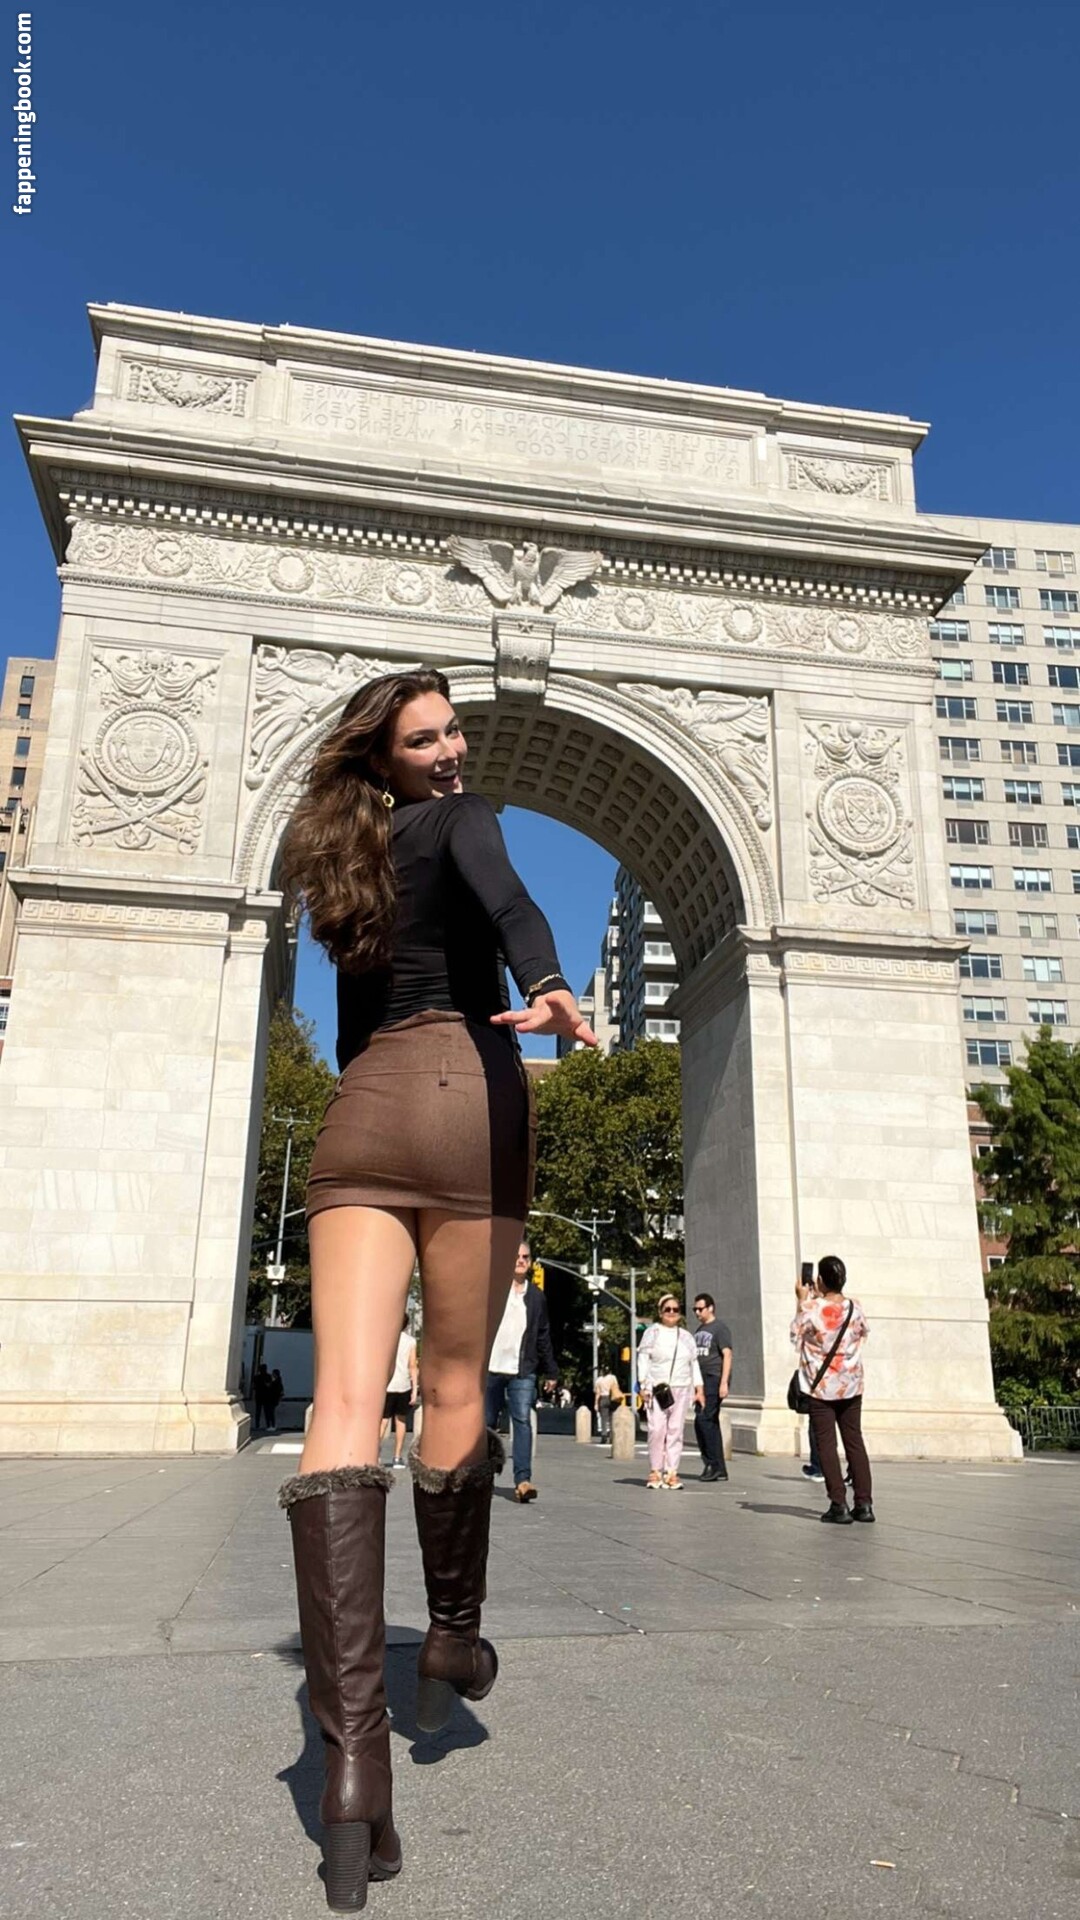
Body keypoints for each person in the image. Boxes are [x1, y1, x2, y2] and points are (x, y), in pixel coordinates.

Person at [275, 668, 595, 1909]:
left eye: (454, 730)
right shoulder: (467, 818)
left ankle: (350, 1766)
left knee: (345, 1402)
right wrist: (550, 986)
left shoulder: (340, 860)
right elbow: (510, 902)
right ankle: (451, 1635)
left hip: (364, 1109)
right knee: (456, 1383)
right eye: (427, 739)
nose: (454, 750)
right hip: (472, 1095)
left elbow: (356, 1023)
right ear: (388, 757)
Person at [791, 1255, 873, 1525]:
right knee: (854, 1441)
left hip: (822, 1387)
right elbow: (863, 1334)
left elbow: (795, 1336)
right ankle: (864, 1503)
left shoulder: (811, 1308)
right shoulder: (855, 1307)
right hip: (851, 1383)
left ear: (820, 1281)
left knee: (826, 1443)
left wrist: (801, 1300)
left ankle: (839, 1503)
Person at [486, 1238, 558, 1502]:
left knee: (522, 1421)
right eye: (516, 1256)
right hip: (491, 1367)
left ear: (531, 1262)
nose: (520, 1260)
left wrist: (551, 1371)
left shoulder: (536, 1297)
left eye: (525, 1257)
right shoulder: (494, 1290)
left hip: (523, 1369)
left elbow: (543, 1335)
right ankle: (484, 1475)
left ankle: (523, 1480)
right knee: (487, 1424)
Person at [637, 1294, 704, 1490]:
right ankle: (655, 1470)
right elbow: (643, 1359)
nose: (672, 1313)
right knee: (657, 1429)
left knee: (675, 1430)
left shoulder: (686, 1336)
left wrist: (699, 1388)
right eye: (668, 1309)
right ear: (660, 1312)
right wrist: (643, 1384)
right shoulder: (652, 1333)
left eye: (676, 1309)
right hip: (658, 1388)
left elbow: (694, 1363)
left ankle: (672, 1471)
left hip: (682, 1386)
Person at [692, 1293, 732, 1482]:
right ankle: (719, 1468)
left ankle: (712, 1464)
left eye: (700, 1309)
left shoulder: (720, 1328)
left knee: (704, 1419)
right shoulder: (699, 1329)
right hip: (701, 1380)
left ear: (710, 1308)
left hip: (713, 1378)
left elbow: (727, 1355)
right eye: (695, 1309)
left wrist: (724, 1382)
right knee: (708, 1422)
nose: (697, 1312)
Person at [380, 1314, 419, 1468]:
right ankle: (397, 1457)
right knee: (401, 1421)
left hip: (387, 1385)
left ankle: (374, 1454)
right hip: (403, 1385)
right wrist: (414, 1390)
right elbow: (412, 1366)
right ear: (407, 1325)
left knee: (383, 1421)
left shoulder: (384, 1339)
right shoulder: (410, 1341)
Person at [593, 1364, 622, 1442]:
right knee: (612, 1417)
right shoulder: (613, 1378)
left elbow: (597, 1393)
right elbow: (616, 1387)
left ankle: (604, 1435)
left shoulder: (599, 1380)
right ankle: (612, 1436)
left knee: (604, 1418)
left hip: (603, 1398)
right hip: (612, 1398)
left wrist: (596, 1403)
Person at [252, 1362, 272, 1432]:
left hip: (258, 1395)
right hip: (266, 1396)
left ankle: (257, 1425)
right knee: (267, 1411)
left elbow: (254, 1387)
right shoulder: (268, 1376)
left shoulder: (256, 1377)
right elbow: (270, 1386)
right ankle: (268, 1425)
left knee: (258, 1411)